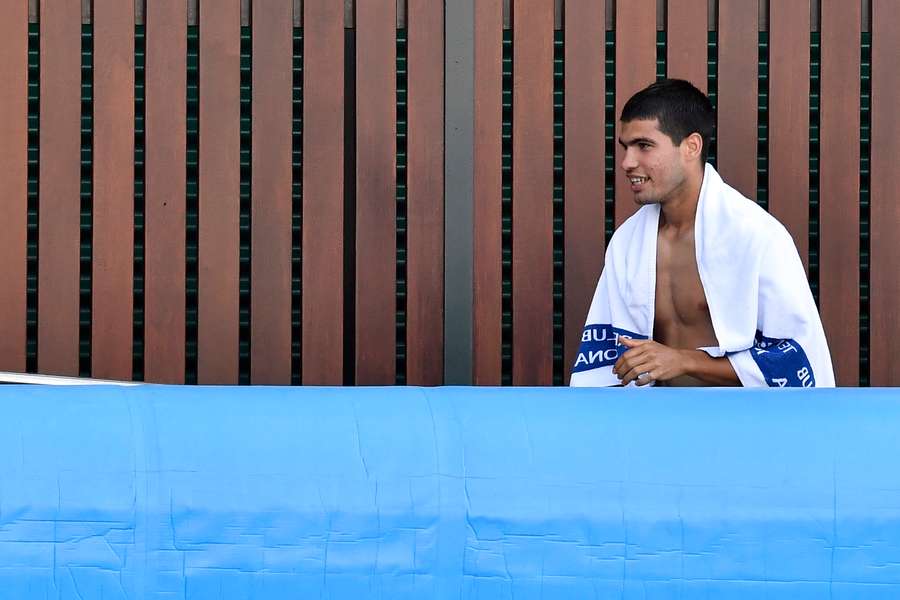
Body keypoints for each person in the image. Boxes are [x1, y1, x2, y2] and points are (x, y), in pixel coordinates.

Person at [570, 79, 834, 387]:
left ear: (691, 147)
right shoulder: (628, 242)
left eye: (644, 146)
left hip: (739, 425)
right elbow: (604, 361)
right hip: (652, 424)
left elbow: (797, 358)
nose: (627, 163)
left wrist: (683, 360)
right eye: (625, 148)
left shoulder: (756, 236)